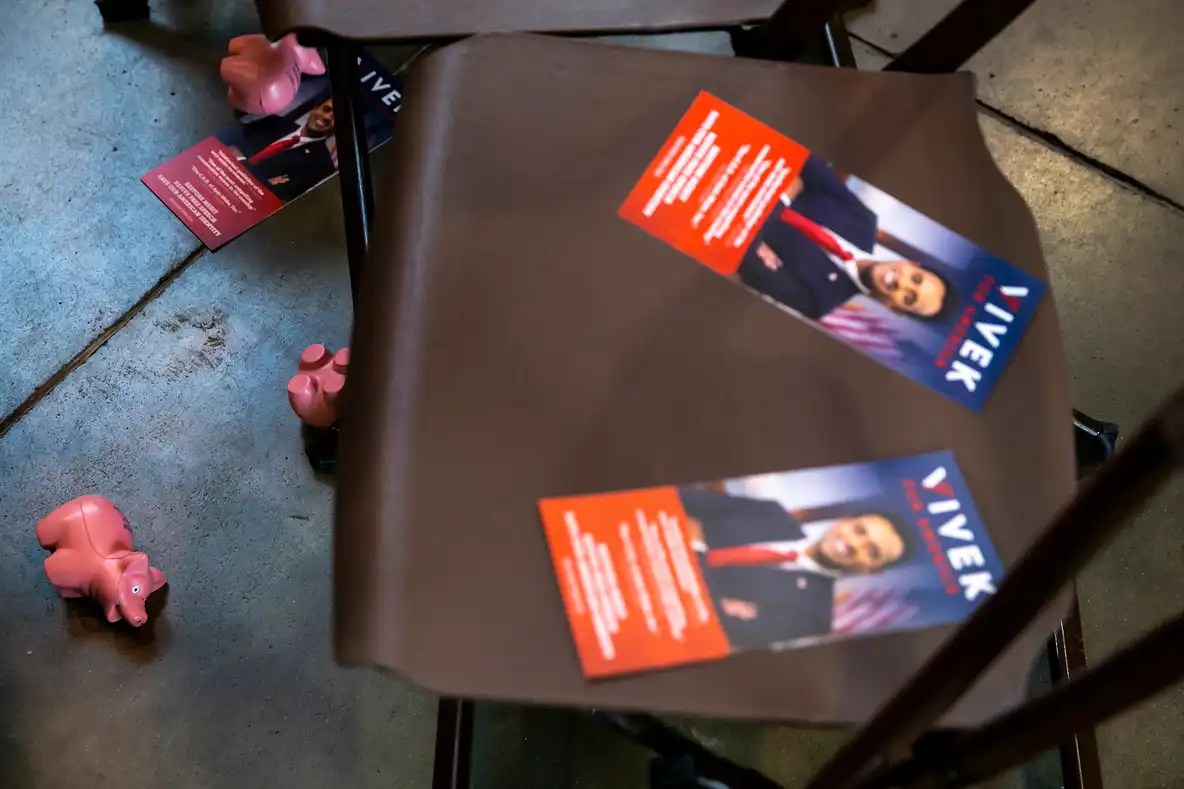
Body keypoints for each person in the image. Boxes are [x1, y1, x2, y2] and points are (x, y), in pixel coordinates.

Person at [678, 485, 914, 649]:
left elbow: (718, 631)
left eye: (872, 552)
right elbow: (681, 498)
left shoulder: (812, 616)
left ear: (871, 571)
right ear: (844, 521)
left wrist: (697, 545)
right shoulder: (771, 513)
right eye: (859, 530)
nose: (854, 543)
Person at [737, 154, 955, 322]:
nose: (902, 283)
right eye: (916, 278)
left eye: (909, 298)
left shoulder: (818, 301)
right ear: (912, 264)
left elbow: (742, 258)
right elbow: (810, 164)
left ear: (894, 307)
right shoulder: (864, 222)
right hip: (750, 160)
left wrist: (783, 198)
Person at [225, 99, 338, 201]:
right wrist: (264, 181)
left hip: (245, 203)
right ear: (315, 108)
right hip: (217, 174)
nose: (327, 117)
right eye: (326, 109)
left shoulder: (322, 166)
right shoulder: (275, 122)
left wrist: (239, 160)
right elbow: (229, 138)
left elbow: (278, 196)